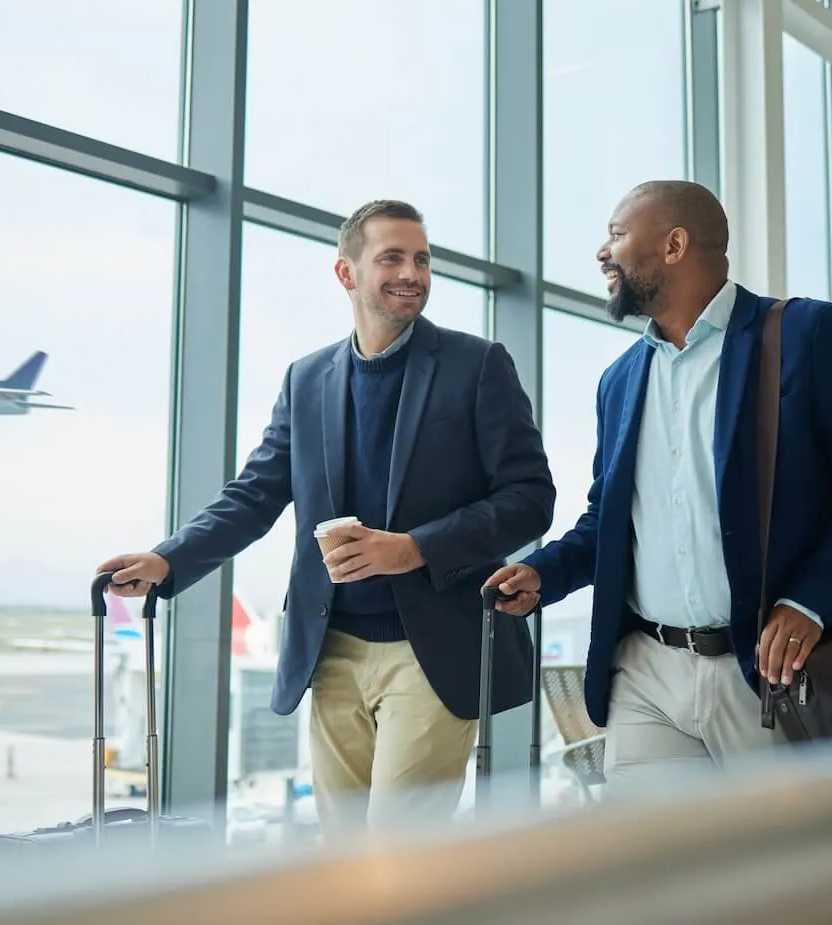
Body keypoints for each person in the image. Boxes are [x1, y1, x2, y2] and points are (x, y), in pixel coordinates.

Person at [98, 199, 555, 836]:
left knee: (398, 857)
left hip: (432, 651)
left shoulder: (476, 365)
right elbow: (255, 494)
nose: (412, 272)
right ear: (346, 274)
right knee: (344, 859)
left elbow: (530, 497)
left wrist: (415, 548)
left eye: (421, 259)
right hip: (330, 650)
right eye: (391, 257)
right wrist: (168, 559)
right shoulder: (307, 378)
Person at [485, 180, 832, 791]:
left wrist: (811, 602)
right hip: (647, 674)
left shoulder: (804, 335)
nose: (601, 253)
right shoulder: (620, 381)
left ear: (674, 244)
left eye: (615, 234)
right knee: (659, 876)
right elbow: (607, 519)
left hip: (767, 672)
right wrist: (545, 574)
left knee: (779, 876)